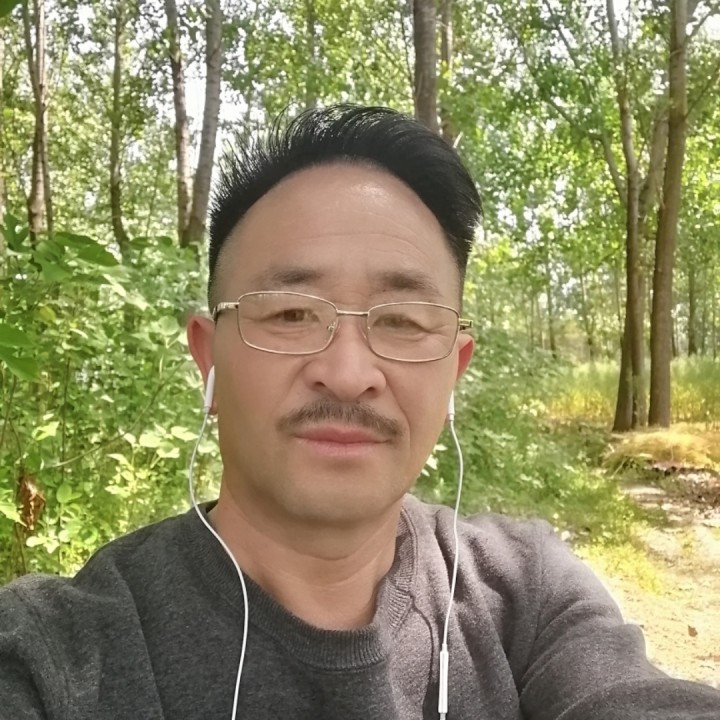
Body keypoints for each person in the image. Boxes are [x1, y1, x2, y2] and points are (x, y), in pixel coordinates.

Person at [0, 105, 718, 720]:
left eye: (403, 321)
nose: (347, 374)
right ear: (209, 357)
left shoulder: (526, 596)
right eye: (290, 313)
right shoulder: (59, 654)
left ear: (454, 368)